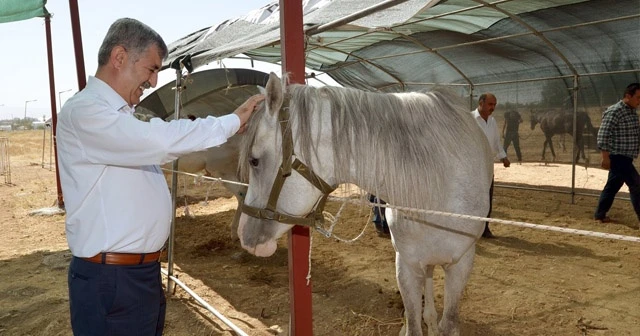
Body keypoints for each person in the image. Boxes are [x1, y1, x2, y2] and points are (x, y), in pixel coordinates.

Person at [56, 18, 264, 336]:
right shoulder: (86, 112)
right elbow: (160, 141)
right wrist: (232, 121)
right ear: (120, 57)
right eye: (151, 69)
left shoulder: (119, 116)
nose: (153, 82)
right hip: (111, 279)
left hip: (138, 274)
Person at [593, 83, 640, 225]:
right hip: (618, 157)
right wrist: (605, 158)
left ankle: (600, 215)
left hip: (627, 157)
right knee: (636, 185)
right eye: (638, 97)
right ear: (628, 96)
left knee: (612, 186)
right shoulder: (615, 111)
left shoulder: (632, 112)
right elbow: (603, 135)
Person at [472, 93, 510, 238]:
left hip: (488, 167)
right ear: (481, 103)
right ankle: (471, 228)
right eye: (490, 104)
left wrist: (503, 157)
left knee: (487, 197)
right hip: (472, 166)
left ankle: (485, 228)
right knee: (473, 197)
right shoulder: (470, 119)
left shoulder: (492, 121)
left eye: (494, 105)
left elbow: (496, 143)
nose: (492, 107)